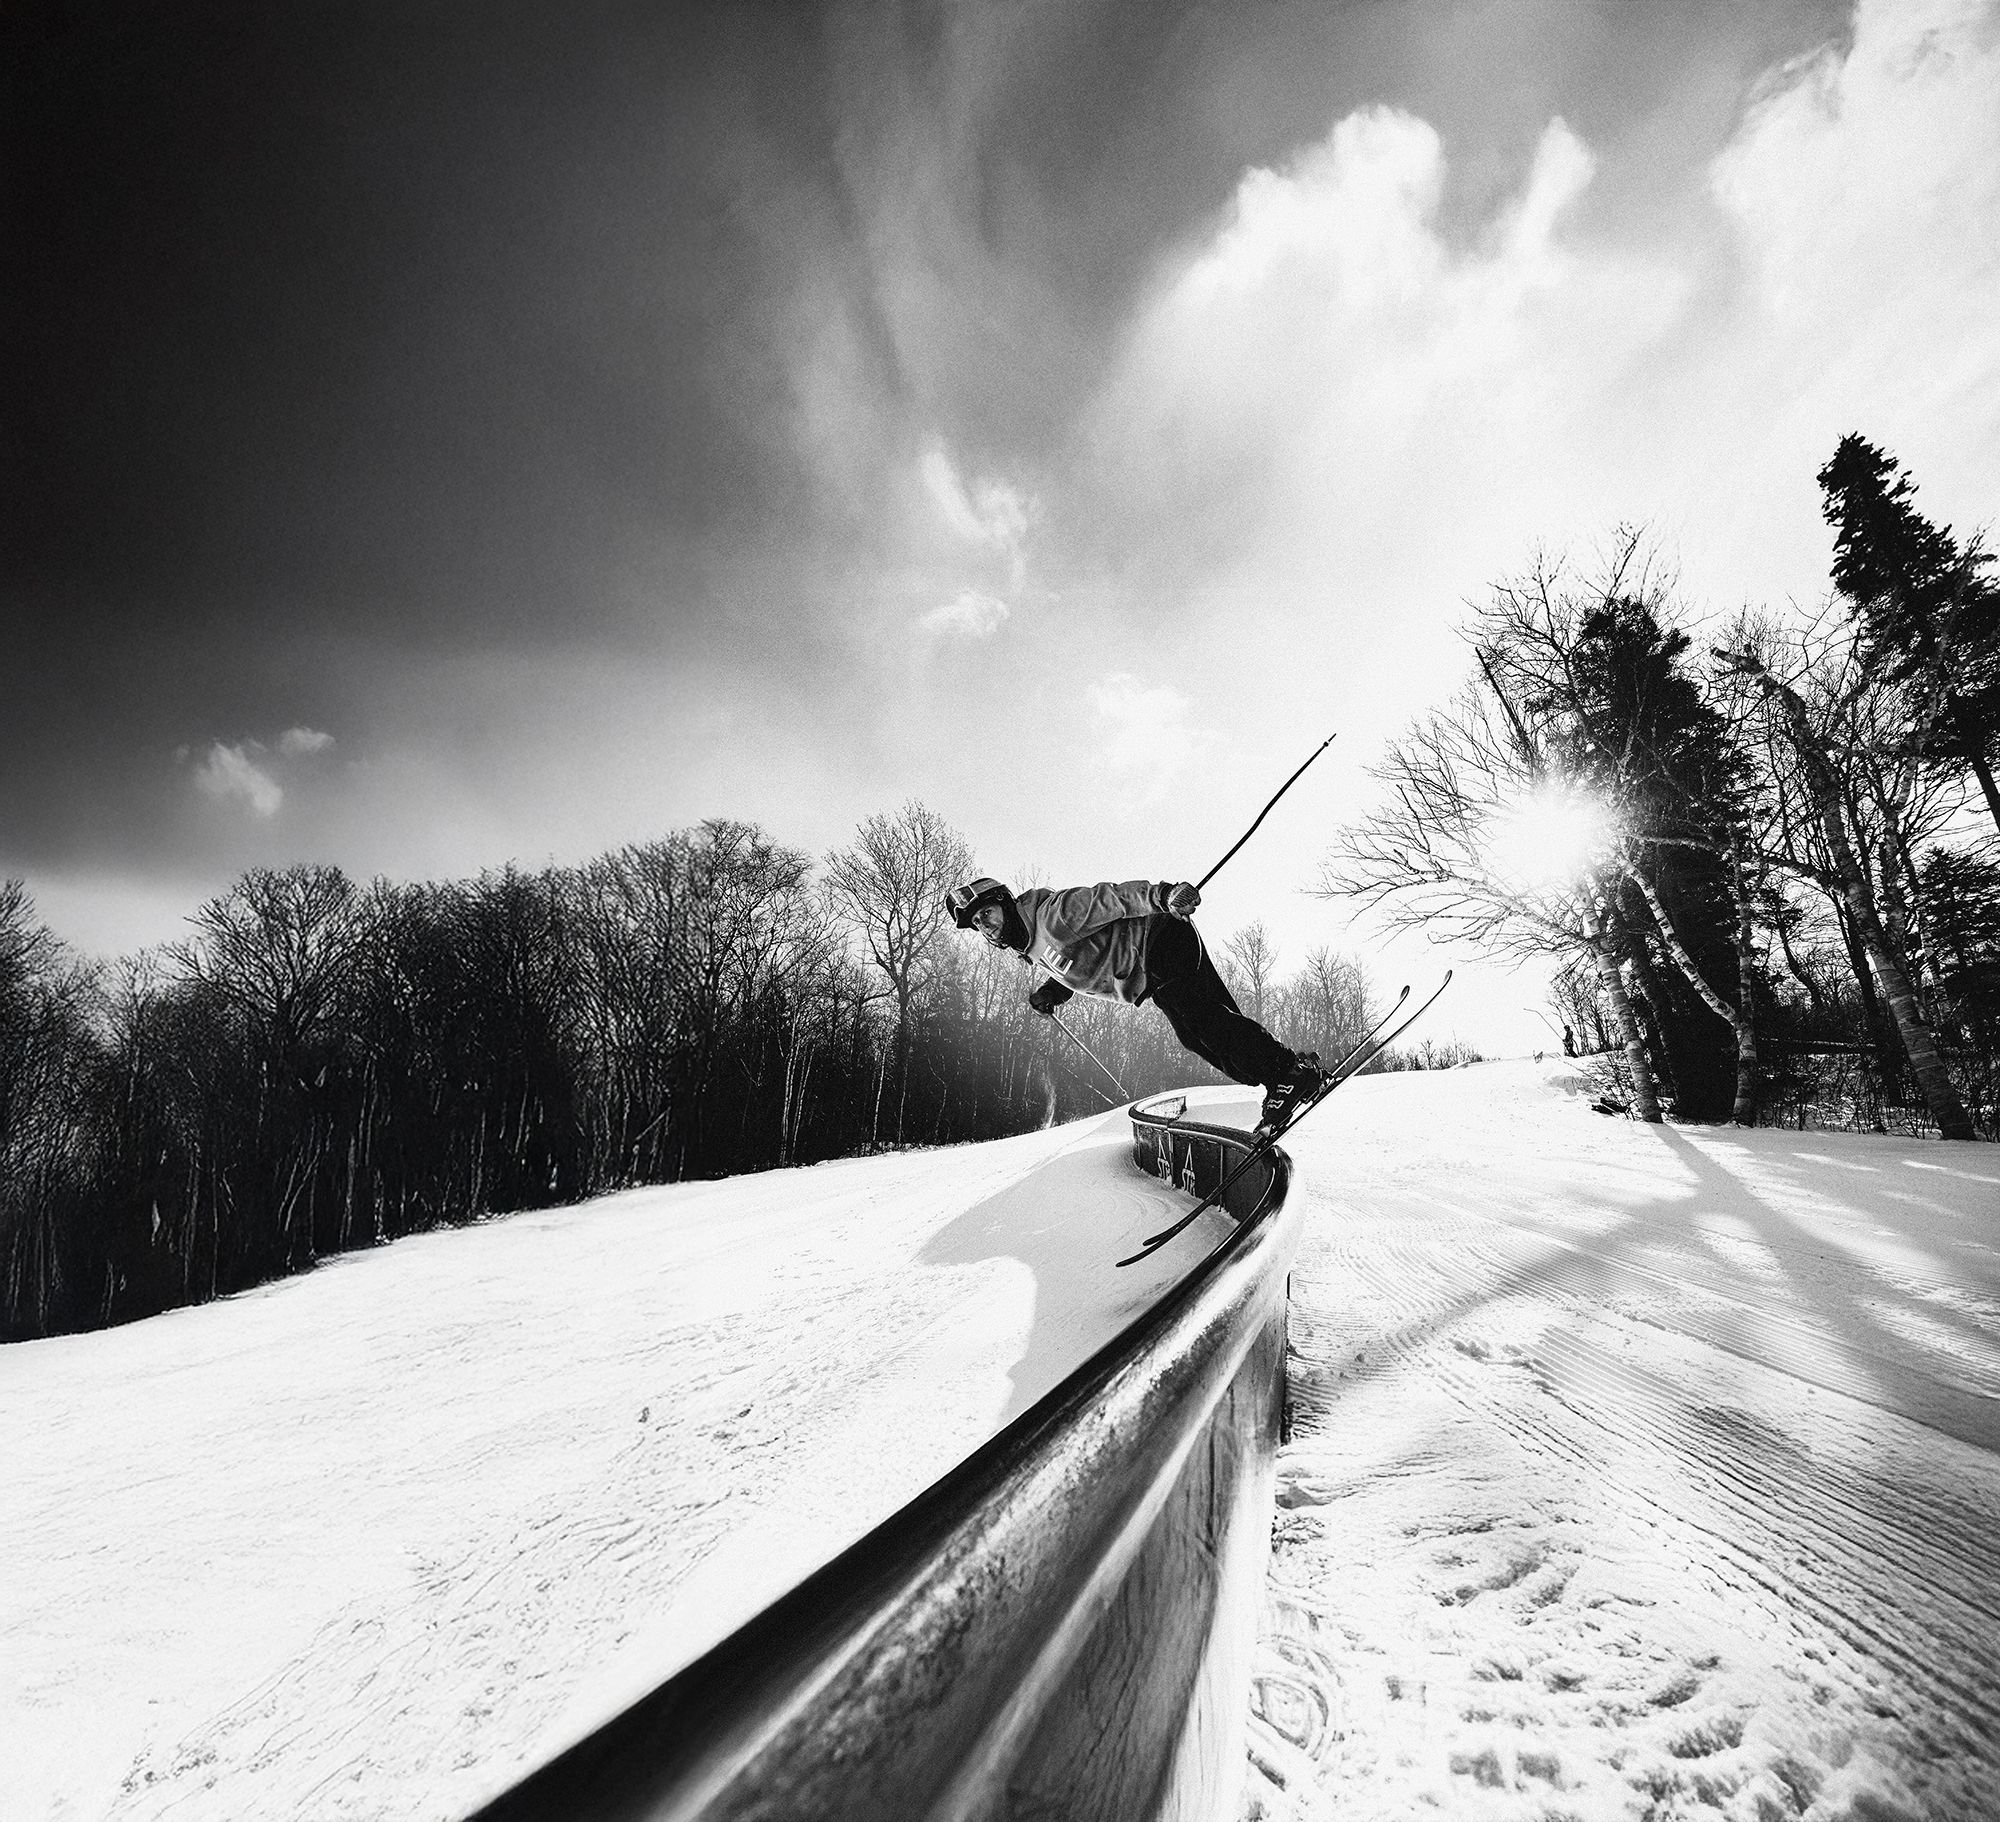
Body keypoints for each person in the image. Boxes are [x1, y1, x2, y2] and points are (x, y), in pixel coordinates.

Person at [945, 875, 1324, 1130]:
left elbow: (1111, 900)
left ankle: (1288, 1073)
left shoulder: (1053, 915)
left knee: (1198, 1020)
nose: (986, 925)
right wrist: (1054, 990)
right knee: (1203, 1032)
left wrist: (1164, 895)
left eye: (988, 914)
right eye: (977, 922)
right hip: (1152, 963)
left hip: (1159, 939)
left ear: (1005, 905)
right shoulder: (1033, 942)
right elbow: (1085, 960)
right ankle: (1289, 1073)